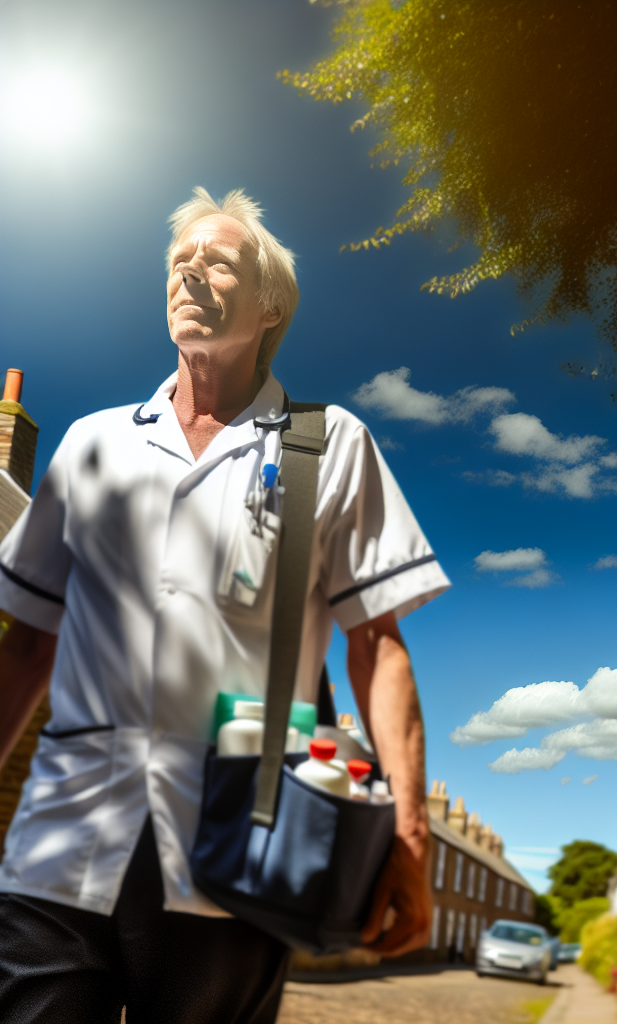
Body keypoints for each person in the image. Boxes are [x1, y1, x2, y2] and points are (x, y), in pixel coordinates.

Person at [0, 188, 449, 1023]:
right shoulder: (92, 442)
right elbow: (27, 646)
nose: (190, 273)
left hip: (240, 860)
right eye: (178, 261)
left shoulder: (331, 443)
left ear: (270, 303)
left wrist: (411, 837)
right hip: (63, 847)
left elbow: (378, 647)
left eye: (217, 260)